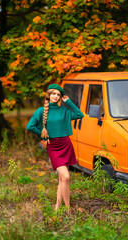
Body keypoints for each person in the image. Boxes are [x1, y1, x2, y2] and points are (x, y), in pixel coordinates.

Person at [26, 83, 84, 211]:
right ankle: (68, 208)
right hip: (53, 147)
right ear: (49, 95)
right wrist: (43, 135)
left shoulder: (64, 110)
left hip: (66, 144)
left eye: (58, 95)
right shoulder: (41, 111)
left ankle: (59, 207)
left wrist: (68, 102)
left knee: (63, 179)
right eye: (53, 94)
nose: (56, 96)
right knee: (66, 176)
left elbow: (80, 115)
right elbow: (30, 126)